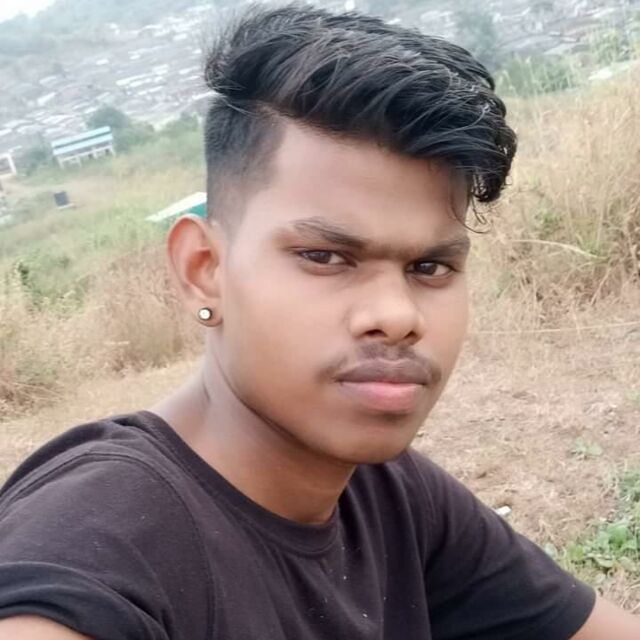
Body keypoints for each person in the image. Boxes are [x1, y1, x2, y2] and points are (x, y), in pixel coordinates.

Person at [0, 4, 638, 639]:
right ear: (204, 270)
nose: (396, 316)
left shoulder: (388, 495)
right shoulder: (97, 544)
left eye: (430, 266)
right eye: (325, 257)